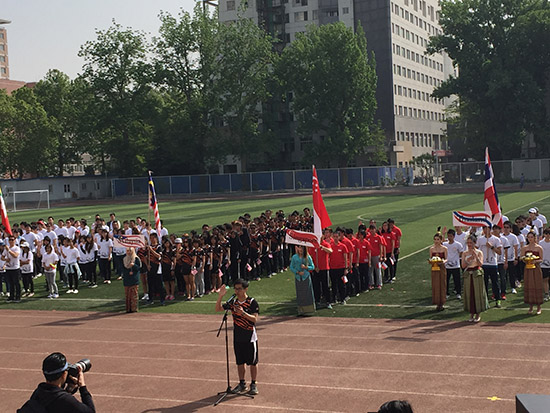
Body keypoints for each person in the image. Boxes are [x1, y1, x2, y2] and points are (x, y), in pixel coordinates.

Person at [216, 279, 259, 395]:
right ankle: (242, 383)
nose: (237, 291)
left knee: (253, 362)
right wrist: (220, 296)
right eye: (236, 288)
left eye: (239, 288)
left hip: (250, 336)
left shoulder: (252, 302)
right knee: (240, 362)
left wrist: (243, 313)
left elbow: (255, 319)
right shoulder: (233, 303)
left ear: (246, 289)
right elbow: (218, 309)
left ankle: (254, 384)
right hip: (238, 337)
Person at [21, 352, 95, 412]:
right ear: (64, 374)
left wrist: (68, 390)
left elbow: (55, 403)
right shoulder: (65, 399)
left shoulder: (39, 392)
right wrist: (82, 387)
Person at [461, 235, 489, 322]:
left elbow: (480, 264)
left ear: (475, 243)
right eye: (468, 243)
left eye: (471, 243)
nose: (469, 244)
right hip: (468, 274)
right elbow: (463, 265)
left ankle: (478, 314)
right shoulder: (464, 253)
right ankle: (471, 313)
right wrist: (469, 259)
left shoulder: (479, 252)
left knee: (478, 293)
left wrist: (476, 257)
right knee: (469, 293)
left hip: (477, 273)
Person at [477, 225, 502, 308]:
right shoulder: (480, 239)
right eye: (484, 229)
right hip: (483, 263)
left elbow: (499, 252)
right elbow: (476, 249)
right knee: (484, 283)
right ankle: (485, 300)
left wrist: (491, 247)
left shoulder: (496, 239)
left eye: (487, 229)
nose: (485, 230)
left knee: (495, 282)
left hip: (492, 263)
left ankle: (497, 299)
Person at [521, 231, 544, 314]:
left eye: (531, 237)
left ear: (535, 238)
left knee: (537, 284)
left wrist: (535, 261)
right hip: (527, 268)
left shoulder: (539, 248)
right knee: (529, 284)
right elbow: (522, 257)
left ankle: (539, 307)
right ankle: (530, 306)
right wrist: (526, 260)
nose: (530, 239)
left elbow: (541, 259)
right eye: (528, 237)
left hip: (536, 268)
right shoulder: (525, 248)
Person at [289, 245, 316, 316]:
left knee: (307, 293)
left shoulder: (307, 257)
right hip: (298, 277)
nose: (300, 250)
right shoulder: (294, 257)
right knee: (300, 293)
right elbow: (291, 267)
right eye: (299, 248)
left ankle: (309, 310)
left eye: (302, 248)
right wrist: (297, 272)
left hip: (306, 277)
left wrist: (306, 267)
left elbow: (312, 266)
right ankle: (301, 310)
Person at [429, 232, 448, 311]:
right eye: (435, 239)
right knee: (435, 284)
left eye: (438, 239)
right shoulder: (431, 249)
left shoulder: (444, 248)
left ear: (441, 240)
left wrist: (443, 261)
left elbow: (446, 258)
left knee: (442, 284)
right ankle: (437, 302)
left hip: (442, 268)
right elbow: (430, 258)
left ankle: (442, 302)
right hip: (434, 268)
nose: (436, 241)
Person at [443, 229, 463, 300]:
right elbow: (441, 243)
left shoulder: (458, 244)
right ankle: (446, 293)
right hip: (447, 265)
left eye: (451, 236)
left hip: (455, 265)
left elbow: (461, 253)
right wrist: (443, 234)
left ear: (454, 236)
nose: (449, 238)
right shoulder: (445, 244)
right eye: (448, 236)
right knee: (446, 280)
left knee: (457, 280)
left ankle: (458, 293)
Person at [3, 235, 21, 302]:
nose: (11, 241)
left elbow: (15, 255)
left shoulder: (16, 248)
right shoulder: (7, 249)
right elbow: (2, 257)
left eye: (12, 240)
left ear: (15, 240)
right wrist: (5, 259)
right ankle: (11, 296)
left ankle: (18, 296)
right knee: (10, 283)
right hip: (8, 268)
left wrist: (9, 250)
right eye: (10, 240)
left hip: (15, 268)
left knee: (16, 283)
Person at [122, 247, 141, 313]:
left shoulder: (136, 259)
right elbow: (123, 268)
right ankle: (128, 308)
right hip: (127, 279)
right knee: (127, 295)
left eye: (130, 251)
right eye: (128, 251)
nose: (129, 252)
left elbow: (138, 268)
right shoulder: (124, 259)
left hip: (134, 279)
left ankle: (134, 308)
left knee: (134, 295)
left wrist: (133, 265)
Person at [540, 228, 550, 301]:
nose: (547, 235)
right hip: (543, 264)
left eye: (549, 234)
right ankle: (546, 293)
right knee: (545, 279)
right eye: (546, 234)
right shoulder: (541, 243)